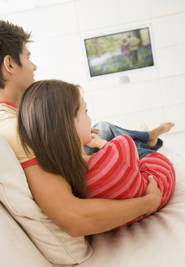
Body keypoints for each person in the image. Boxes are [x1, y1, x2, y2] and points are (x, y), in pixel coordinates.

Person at [0, 20, 163, 236]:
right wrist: (148, 203)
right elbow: (74, 218)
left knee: (100, 130)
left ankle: (145, 139)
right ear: (10, 64)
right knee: (105, 131)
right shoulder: (15, 129)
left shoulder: (17, 115)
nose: (34, 66)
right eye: (28, 57)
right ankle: (145, 141)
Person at [18, 79, 175, 228]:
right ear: (68, 125)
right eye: (85, 111)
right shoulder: (118, 152)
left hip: (123, 170)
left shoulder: (70, 180)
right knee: (109, 131)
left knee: (104, 129)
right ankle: (147, 137)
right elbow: (123, 145)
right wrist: (101, 143)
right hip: (154, 166)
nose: (89, 118)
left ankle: (148, 136)